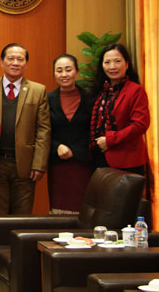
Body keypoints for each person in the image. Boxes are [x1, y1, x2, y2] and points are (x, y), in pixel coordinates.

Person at [0, 43, 50, 215]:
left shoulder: (38, 90)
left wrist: (39, 164)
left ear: (26, 63)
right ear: (2, 62)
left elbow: (43, 129)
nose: (15, 63)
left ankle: (20, 243)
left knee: (23, 215)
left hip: (25, 164)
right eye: (10, 58)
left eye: (20, 59)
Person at [90, 43, 150, 175]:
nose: (112, 66)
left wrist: (110, 140)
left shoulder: (136, 90)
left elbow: (140, 125)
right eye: (107, 62)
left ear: (127, 64)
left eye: (117, 61)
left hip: (127, 160)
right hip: (100, 157)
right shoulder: (100, 91)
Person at [47, 54, 94, 213]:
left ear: (77, 71)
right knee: (59, 207)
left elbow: (94, 129)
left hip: (83, 161)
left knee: (82, 206)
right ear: (54, 74)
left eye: (68, 69)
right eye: (59, 70)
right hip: (57, 162)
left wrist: (76, 149)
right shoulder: (48, 99)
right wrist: (57, 146)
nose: (64, 74)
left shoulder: (90, 98)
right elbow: (42, 130)